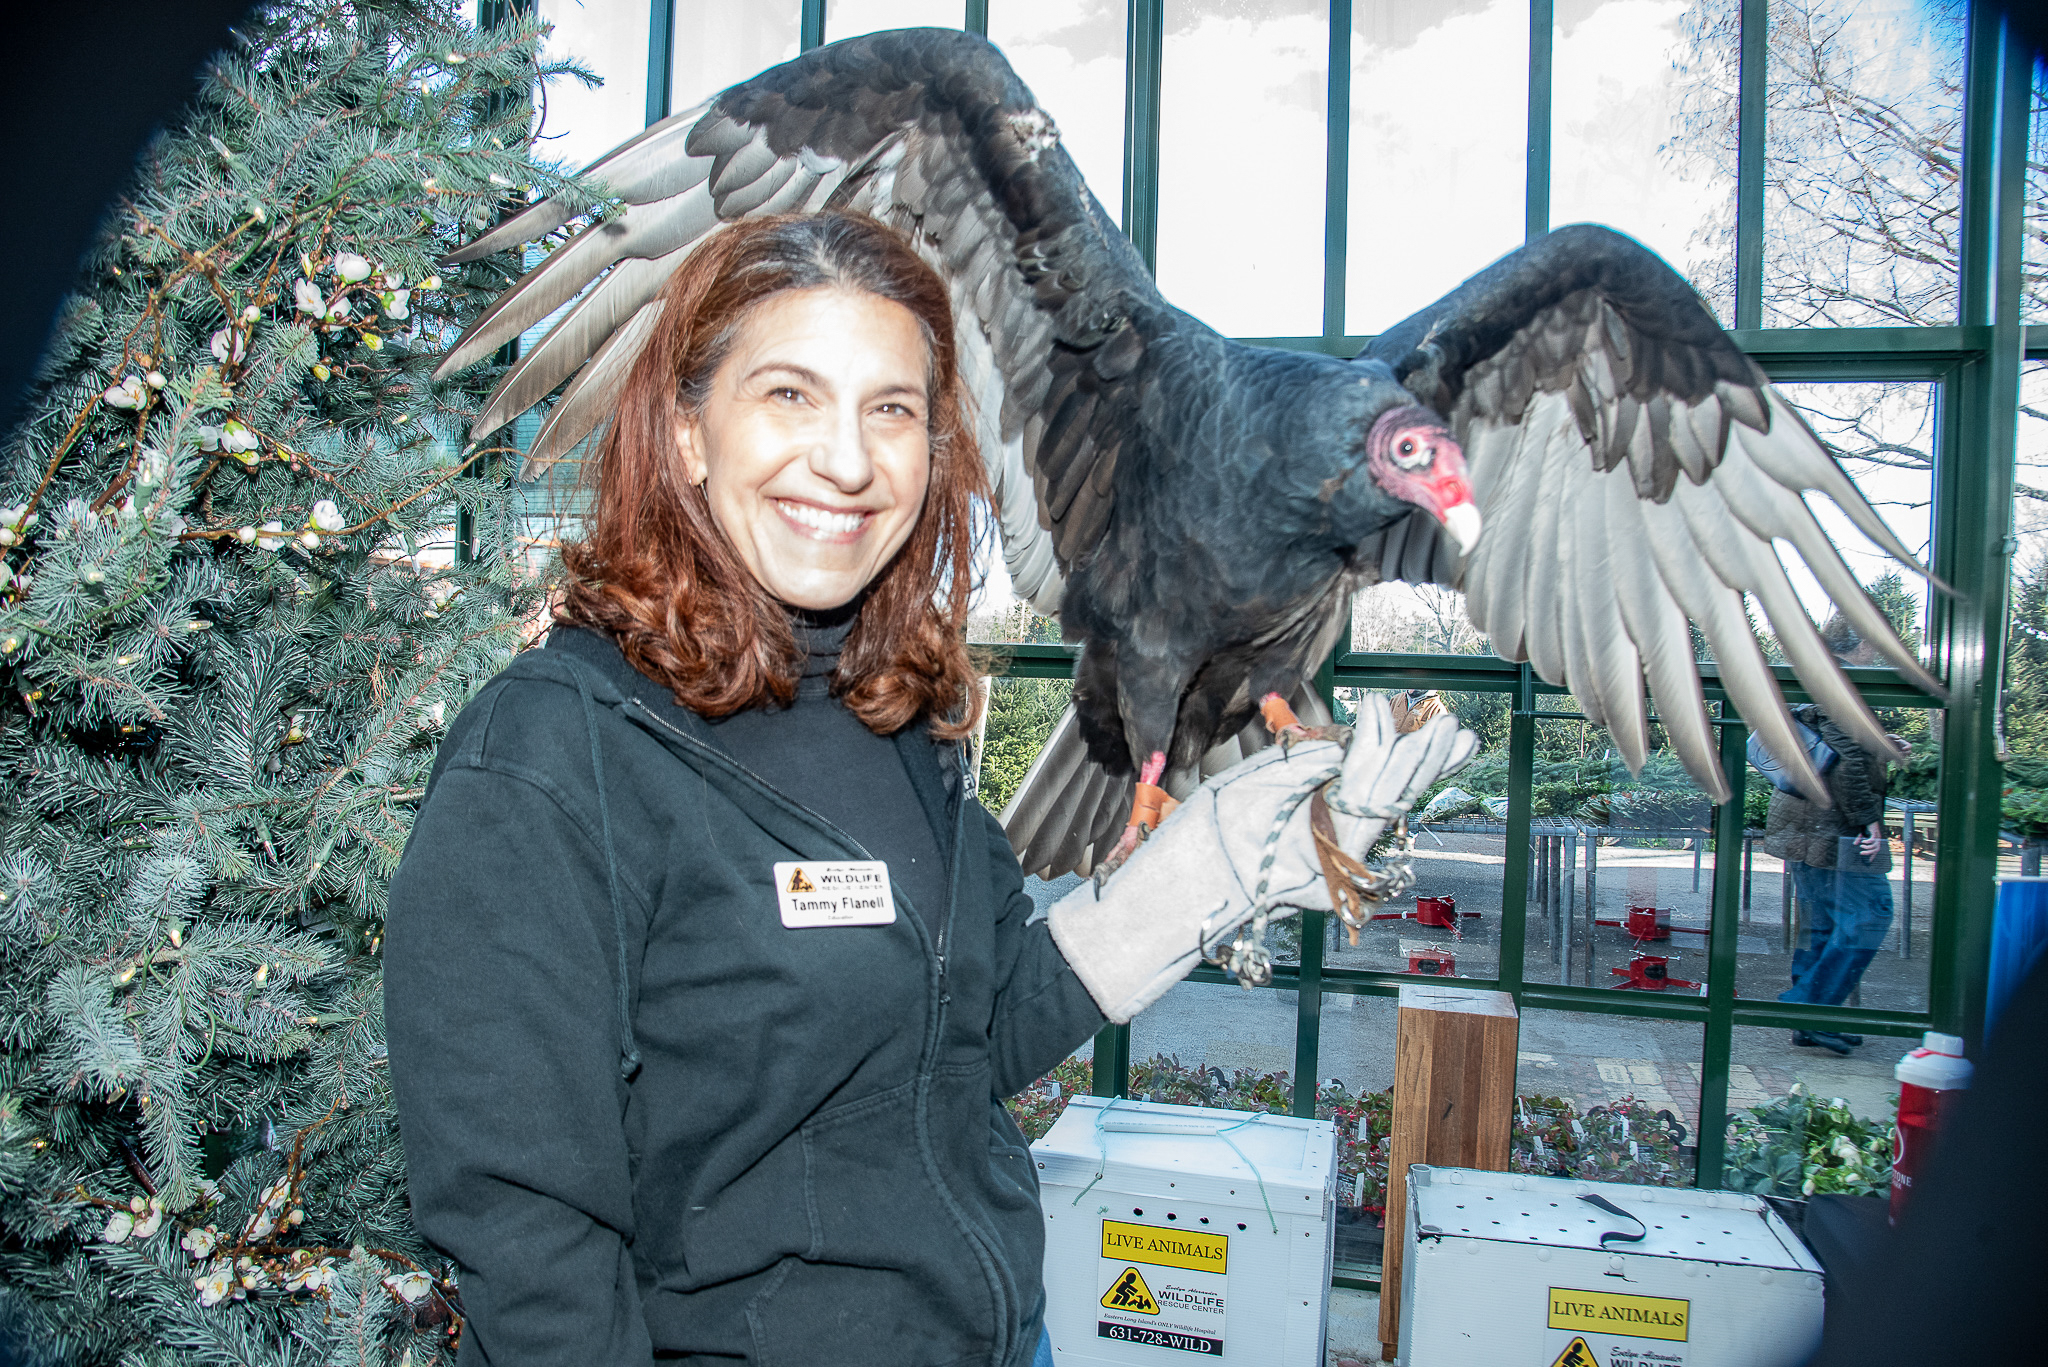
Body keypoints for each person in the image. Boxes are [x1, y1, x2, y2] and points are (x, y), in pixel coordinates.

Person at [382, 210, 1474, 1366]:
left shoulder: (891, 710)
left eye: (891, 408)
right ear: (689, 430)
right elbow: (525, 1230)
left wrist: (1207, 870)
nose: (847, 461)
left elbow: (969, 1032)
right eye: (789, 395)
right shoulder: (557, 753)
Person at [1762, 697, 1900, 1055]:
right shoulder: (1842, 690)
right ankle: (1809, 1008)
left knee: (1820, 924)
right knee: (1871, 913)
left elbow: (1844, 752)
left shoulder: (1820, 690)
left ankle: (1812, 1019)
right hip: (1830, 829)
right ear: (1860, 646)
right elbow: (1846, 765)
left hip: (1803, 825)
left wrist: (1884, 749)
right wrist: (1870, 823)